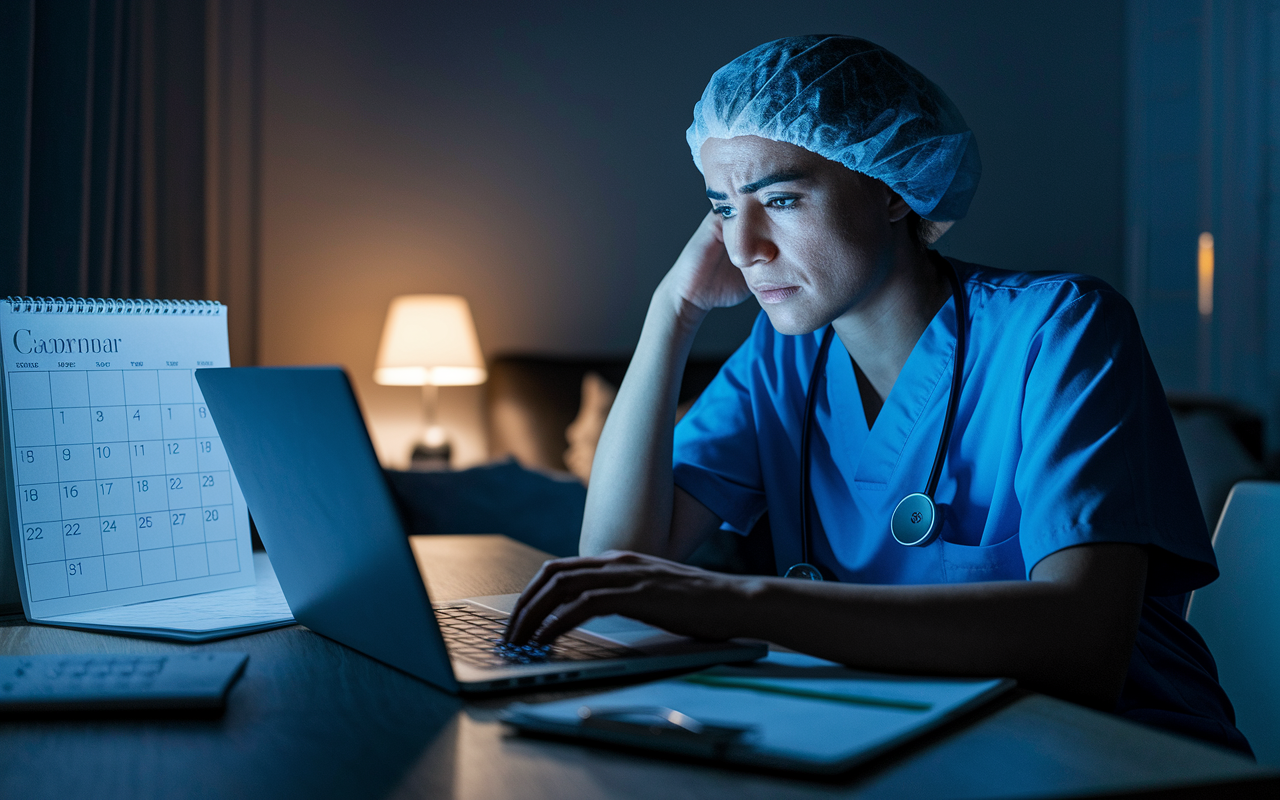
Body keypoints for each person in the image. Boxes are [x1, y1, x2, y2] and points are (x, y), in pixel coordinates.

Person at [502, 35, 1250, 755]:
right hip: (906, 741)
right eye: (724, 208)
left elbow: (1083, 647)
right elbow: (617, 566)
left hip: (1122, 753)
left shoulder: (1060, 329)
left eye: (783, 200)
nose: (743, 246)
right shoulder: (781, 360)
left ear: (893, 190)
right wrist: (673, 311)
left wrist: (735, 602)